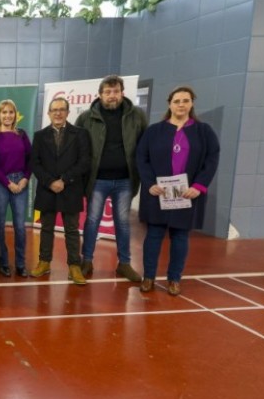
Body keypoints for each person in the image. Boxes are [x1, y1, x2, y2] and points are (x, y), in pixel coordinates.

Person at [136, 86, 219, 296]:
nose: (181, 104)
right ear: (169, 104)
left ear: (191, 104)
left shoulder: (204, 131)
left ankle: (174, 279)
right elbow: (141, 158)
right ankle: (148, 278)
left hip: (187, 193)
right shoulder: (154, 131)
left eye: (185, 100)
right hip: (158, 192)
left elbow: (211, 159)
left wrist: (199, 186)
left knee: (180, 236)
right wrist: (149, 183)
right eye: (177, 101)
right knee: (153, 235)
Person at [75, 75, 148, 282]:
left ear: (122, 93)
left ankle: (124, 264)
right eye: (107, 92)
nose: (112, 96)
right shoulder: (86, 117)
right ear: (100, 95)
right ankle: (87, 261)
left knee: (123, 223)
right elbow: (78, 147)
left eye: (115, 91)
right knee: (92, 221)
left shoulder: (137, 116)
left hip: (125, 180)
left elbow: (144, 147)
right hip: (97, 180)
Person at [30, 97, 91, 285]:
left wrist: (64, 179)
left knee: (72, 230)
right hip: (47, 189)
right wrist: (50, 182)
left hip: (70, 188)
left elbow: (85, 161)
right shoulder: (39, 136)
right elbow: (35, 163)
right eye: (54, 110)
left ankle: (74, 266)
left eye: (61, 109)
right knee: (46, 228)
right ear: (48, 113)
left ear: (67, 112)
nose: (58, 113)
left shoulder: (80, 134)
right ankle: (44, 261)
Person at [0, 99, 32, 277]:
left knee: (20, 227)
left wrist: (25, 179)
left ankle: (21, 264)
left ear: (15, 115)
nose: (7, 115)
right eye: (4, 112)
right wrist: (8, 183)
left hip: (21, 182)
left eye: (11, 112)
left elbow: (31, 159)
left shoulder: (21, 134)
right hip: (1, 183)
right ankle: (3, 262)